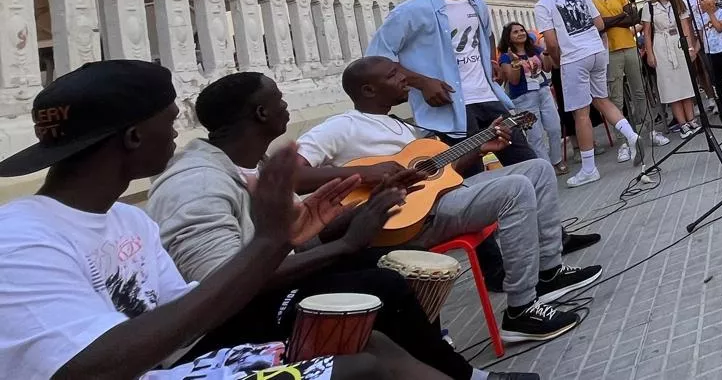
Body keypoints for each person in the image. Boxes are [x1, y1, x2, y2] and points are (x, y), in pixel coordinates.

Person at [0, 60, 449, 380]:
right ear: (134, 137)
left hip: (174, 359)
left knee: (370, 342)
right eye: (170, 123)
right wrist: (276, 244)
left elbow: (190, 311)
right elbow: (88, 368)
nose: (177, 135)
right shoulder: (22, 238)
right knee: (359, 367)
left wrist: (302, 238)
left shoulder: (127, 220)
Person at [148, 72, 538, 380]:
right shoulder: (196, 182)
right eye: (279, 98)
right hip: (225, 324)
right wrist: (345, 244)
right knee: (382, 282)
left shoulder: (258, 165)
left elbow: (299, 239)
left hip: (263, 289)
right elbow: (223, 285)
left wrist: (374, 204)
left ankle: (440, 362)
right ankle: (461, 373)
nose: (285, 104)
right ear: (262, 114)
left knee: (394, 260)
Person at [296, 56, 600, 336]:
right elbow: (292, 175)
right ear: (368, 90)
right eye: (393, 75)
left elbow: (439, 173)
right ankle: (521, 310)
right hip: (410, 220)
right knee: (516, 189)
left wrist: (479, 147)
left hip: (436, 200)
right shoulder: (342, 126)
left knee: (537, 168)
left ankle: (549, 272)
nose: (404, 78)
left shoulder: (401, 125)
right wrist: (365, 174)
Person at [366, 0, 536, 166]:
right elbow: (376, 59)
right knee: (468, 176)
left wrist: (491, 61)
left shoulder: (476, 3)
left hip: (488, 97)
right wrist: (423, 83)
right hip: (450, 108)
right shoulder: (411, 11)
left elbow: (486, 34)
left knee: (529, 163)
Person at [530, 0, 645, 185]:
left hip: (574, 57)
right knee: (602, 99)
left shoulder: (543, 4)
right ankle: (631, 136)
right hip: (597, 51)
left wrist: (557, 60)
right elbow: (599, 23)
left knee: (580, 114)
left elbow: (551, 42)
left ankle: (589, 168)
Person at [590, 0, 665, 163]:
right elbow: (598, 25)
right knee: (616, 97)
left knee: (640, 91)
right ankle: (623, 141)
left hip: (629, 47)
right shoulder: (590, 1)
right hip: (609, 52)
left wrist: (610, 21)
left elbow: (633, 19)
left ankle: (650, 131)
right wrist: (619, 17)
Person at [496, 22, 563, 171]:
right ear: (508, 37)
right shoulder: (505, 57)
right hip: (523, 98)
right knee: (535, 136)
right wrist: (515, 63)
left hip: (543, 92)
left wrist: (546, 53)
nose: (521, 33)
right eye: (515, 32)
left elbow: (547, 68)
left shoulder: (535, 49)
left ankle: (556, 160)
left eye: (522, 30)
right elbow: (513, 80)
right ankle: (547, 168)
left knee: (555, 128)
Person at [643, 0, 701, 137]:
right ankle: (682, 123)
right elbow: (647, 33)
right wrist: (650, 54)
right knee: (671, 86)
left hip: (678, 42)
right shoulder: (649, 6)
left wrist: (690, 48)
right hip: (661, 44)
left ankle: (691, 119)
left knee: (685, 82)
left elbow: (685, 27)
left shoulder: (677, 3)